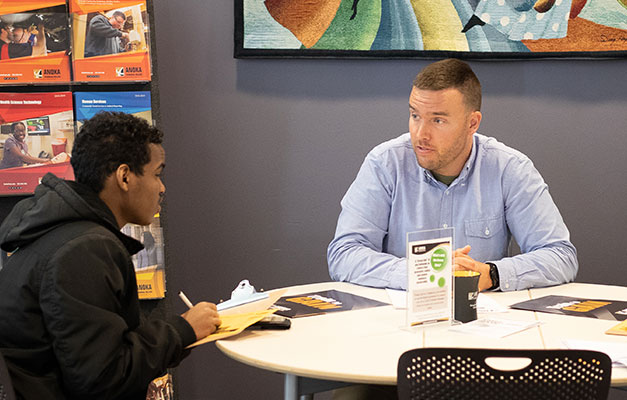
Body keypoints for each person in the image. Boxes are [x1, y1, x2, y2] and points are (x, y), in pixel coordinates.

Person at [0, 111, 221, 399]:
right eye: (157, 174)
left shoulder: (62, 235)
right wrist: (182, 330)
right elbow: (103, 378)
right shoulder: (85, 249)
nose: (162, 188)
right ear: (125, 177)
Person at [328, 58, 577, 293]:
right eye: (415, 116)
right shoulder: (384, 163)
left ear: (472, 123)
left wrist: (490, 274)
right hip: (396, 323)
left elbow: (560, 256)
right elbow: (344, 253)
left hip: (481, 324)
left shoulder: (510, 168)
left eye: (438, 120)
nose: (421, 134)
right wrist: (422, 273)